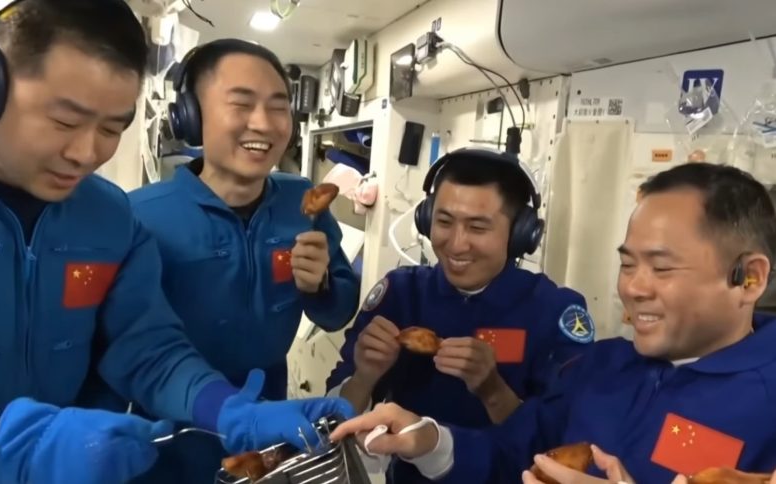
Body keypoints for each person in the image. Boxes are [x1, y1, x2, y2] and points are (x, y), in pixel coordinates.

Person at [0, 1, 351, 482]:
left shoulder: (107, 216)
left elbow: (146, 349)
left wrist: (231, 411)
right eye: (64, 121)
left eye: (111, 128)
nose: (86, 154)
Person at [329, 162, 776, 483]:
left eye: (662, 268)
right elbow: (516, 451)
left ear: (749, 279)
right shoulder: (603, 367)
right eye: (628, 265)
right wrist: (429, 440)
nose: (634, 288)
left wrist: (490, 387)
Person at [127, 38, 361, 481]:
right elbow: (126, 345)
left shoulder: (301, 200)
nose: (264, 124)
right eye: (241, 104)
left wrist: (322, 287)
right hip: (170, 426)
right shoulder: (141, 215)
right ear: (191, 116)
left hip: (270, 414)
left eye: (278, 107)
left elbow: (336, 313)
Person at [326, 148, 595, 483]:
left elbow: (566, 448)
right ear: (425, 219)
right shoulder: (401, 294)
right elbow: (331, 425)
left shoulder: (554, 311)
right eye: (444, 222)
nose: (456, 244)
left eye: (477, 228)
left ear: (520, 234)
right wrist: (364, 378)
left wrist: (493, 391)